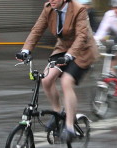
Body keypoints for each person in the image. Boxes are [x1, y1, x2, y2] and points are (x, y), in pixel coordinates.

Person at [15, 0, 98, 142]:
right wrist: (25, 50)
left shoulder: (79, 10)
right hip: (63, 48)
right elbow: (37, 30)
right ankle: (58, 112)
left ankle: (70, 127)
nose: (51, 0)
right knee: (46, 79)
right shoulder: (49, 8)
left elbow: (82, 36)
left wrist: (70, 56)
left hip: (83, 51)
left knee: (66, 81)